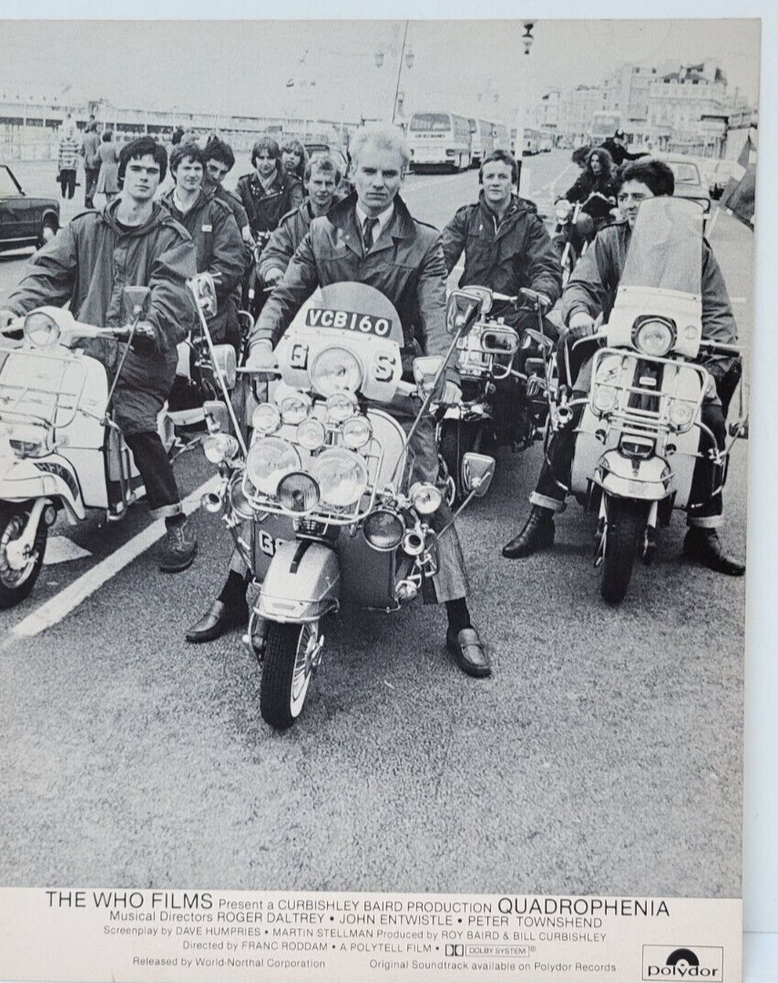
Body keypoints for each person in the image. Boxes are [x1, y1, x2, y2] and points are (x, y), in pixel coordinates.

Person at [186, 126, 492, 679]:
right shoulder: (322, 232)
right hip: (318, 379)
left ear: (404, 177)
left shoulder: (424, 243)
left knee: (424, 485)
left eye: (390, 174)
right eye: (369, 172)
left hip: (390, 383)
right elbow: (286, 293)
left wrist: (437, 370)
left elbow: (435, 314)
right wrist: (261, 341)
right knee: (270, 471)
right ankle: (234, 591)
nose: (378, 183)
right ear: (353, 171)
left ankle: (459, 617)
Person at [501, 157, 745, 576]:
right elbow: (582, 284)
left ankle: (703, 531)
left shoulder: (695, 250)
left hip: (678, 357)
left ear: (665, 201)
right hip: (613, 350)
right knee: (571, 412)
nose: (630, 205)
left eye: (640, 197)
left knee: (711, 422)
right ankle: (542, 517)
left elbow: (718, 311)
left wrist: (718, 351)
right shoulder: (610, 240)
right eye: (624, 197)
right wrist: (579, 312)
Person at [0, 137, 200, 573]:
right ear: (121, 173)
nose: (144, 177)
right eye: (137, 169)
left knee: (136, 422)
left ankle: (174, 521)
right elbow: (49, 271)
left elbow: (172, 291)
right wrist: (17, 307)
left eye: (152, 171)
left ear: (161, 179)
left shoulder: (171, 237)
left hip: (141, 357)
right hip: (86, 351)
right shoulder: (86, 227)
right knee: (30, 404)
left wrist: (151, 325)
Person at [441, 149, 563, 441]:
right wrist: (428, 284)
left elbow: (546, 265)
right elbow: (440, 256)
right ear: (481, 181)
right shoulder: (467, 217)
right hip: (470, 308)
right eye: (489, 176)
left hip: (512, 309)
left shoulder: (530, 223)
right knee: (430, 338)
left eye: (502, 177)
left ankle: (522, 412)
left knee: (542, 336)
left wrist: (540, 293)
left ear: (513, 183)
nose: (495, 182)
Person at [160, 141, 246, 347]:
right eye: (186, 168)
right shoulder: (159, 211)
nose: (192, 174)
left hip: (208, 313)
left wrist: (196, 292)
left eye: (197, 168)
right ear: (174, 171)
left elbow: (231, 264)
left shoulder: (219, 212)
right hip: (164, 306)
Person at [257, 154, 342, 287]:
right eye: (318, 182)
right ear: (306, 183)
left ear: (336, 186)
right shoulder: (293, 222)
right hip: (301, 296)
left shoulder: (350, 217)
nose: (323, 189)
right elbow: (274, 253)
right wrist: (274, 269)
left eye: (329, 183)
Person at [235, 135, 304, 236]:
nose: (265, 163)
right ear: (254, 159)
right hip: (249, 242)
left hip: (281, 242)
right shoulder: (244, 183)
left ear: (277, 159)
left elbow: (296, 215)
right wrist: (244, 226)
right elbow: (232, 206)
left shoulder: (292, 184)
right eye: (261, 158)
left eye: (270, 158)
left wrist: (279, 234)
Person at [95, 130, 120, 204]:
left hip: (104, 167)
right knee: (113, 187)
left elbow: (96, 158)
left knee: (106, 188)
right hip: (113, 167)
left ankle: (108, 202)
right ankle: (112, 202)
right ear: (111, 137)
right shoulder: (114, 146)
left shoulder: (100, 147)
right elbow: (118, 156)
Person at [56, 122, 80, 201]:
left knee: (64, 179)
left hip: (66, 163)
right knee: (71, 180)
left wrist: (60, 163)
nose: (71, 131)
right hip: (70, 164)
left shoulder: (63, 140)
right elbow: (77, 152)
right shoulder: (74, 140)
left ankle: (66, 193)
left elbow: (60, 152)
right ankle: (69, 194)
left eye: (72, 130)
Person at [81, 120, 101, 209]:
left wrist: (86, 157)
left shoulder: (85, 137)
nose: (100, 129)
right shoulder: (96, 137)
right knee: (96, 182)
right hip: (95, 163)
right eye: (99, 127)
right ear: (95, 128)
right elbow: (98, 151)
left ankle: (87, 202)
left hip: (86, 162)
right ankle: (89, 197)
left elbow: (81, 150)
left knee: (87, 183)